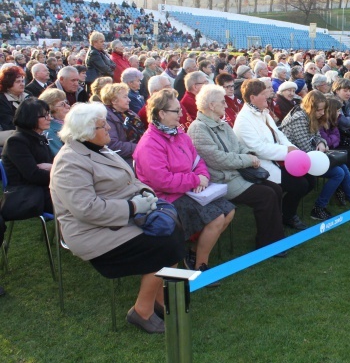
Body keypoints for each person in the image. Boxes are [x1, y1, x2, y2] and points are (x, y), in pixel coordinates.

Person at [50, 102, 185, 334]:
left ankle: (159, 297)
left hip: (120, 218)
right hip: (92, 232)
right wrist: (133, 207)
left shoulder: (98, 148)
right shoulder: (69, 162)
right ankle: (141, 311)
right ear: (87, 132)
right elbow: (87, 210)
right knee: (164, 244)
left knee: (173, 229)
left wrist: (146, 192)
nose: (109, 130)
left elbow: (130, 180)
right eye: (104, 126)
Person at [134, 89, 235, 279]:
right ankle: (200, 264)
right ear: (161, 113)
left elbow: (197, 161)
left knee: (228, 211)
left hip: (188, 190)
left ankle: (194, 253)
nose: (182, 114)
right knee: (216, 218)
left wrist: (202, 176)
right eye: (176, 111)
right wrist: (195, 180)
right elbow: (161, 181)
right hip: (164, 199)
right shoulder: (149, 143)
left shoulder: (178, 133)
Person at [187, 85, 286, 252]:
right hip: (221, 178)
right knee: (266, 195)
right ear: (211, 105)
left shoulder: (221, 124)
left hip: (236, 173)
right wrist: (247, 159)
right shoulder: (198, 128)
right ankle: (268, 244)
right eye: (222, 102)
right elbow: (218, 160)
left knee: (275, 189)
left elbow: (238, 146)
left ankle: (274, 236)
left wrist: (249, 155)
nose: (226, 105)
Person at [280, 91, 350, 220]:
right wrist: (321, 148)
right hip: (298, 161)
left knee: (341, 166)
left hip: (309, 156)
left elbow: (317, 136)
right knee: (338, 172)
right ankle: (319, 208)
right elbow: (305, 147)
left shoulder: (308, 115)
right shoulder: (299, 118)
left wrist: (321, 142)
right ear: (311, 107)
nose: (322, 113)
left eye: (323, 110)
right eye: (319, 110)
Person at [233, 79, 313, 230]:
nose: (269, 96)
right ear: (252, 97)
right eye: (264, 94)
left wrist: (292, 148)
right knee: (300, 185)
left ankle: (285, 211)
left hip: (278, 159)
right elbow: (258, 149)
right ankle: (287, 216)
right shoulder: (244, 119)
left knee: (310, 179)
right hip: (261, 165)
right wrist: (286, 152)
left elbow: (279, 135)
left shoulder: (263, 112)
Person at [0, 98, 54, 221]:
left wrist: (52, 168)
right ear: (31, 118)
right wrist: (57, 171)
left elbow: (51, 164)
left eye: (49, 114)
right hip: (31, 193)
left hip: (45, 187)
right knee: (77, 200)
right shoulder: (16, 142)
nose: (49, 118)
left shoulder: (38, 138)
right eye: (45, 116)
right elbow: (34, 175)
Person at [101, 83, 144, 165]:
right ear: (114, 101)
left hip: (139, 154)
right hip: (124, 161)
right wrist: (140, 147)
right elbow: (112, 145)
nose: (129, 100)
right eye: (125, 97)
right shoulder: (107, 117)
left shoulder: (130, 113)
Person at [0, 65, 29, 145]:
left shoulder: (28, 95)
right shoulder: (2, 100)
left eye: (22, 81)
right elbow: (8, 124)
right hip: (14, 135)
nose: (22, 84)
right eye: (18, 82)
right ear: (8, 84)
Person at [39, 88, 70, 156]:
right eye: (62, 104)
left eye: (66, 102)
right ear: (50, 109)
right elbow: (61, 156)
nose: (68, 106)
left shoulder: (71, 124)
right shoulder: (49, 131)